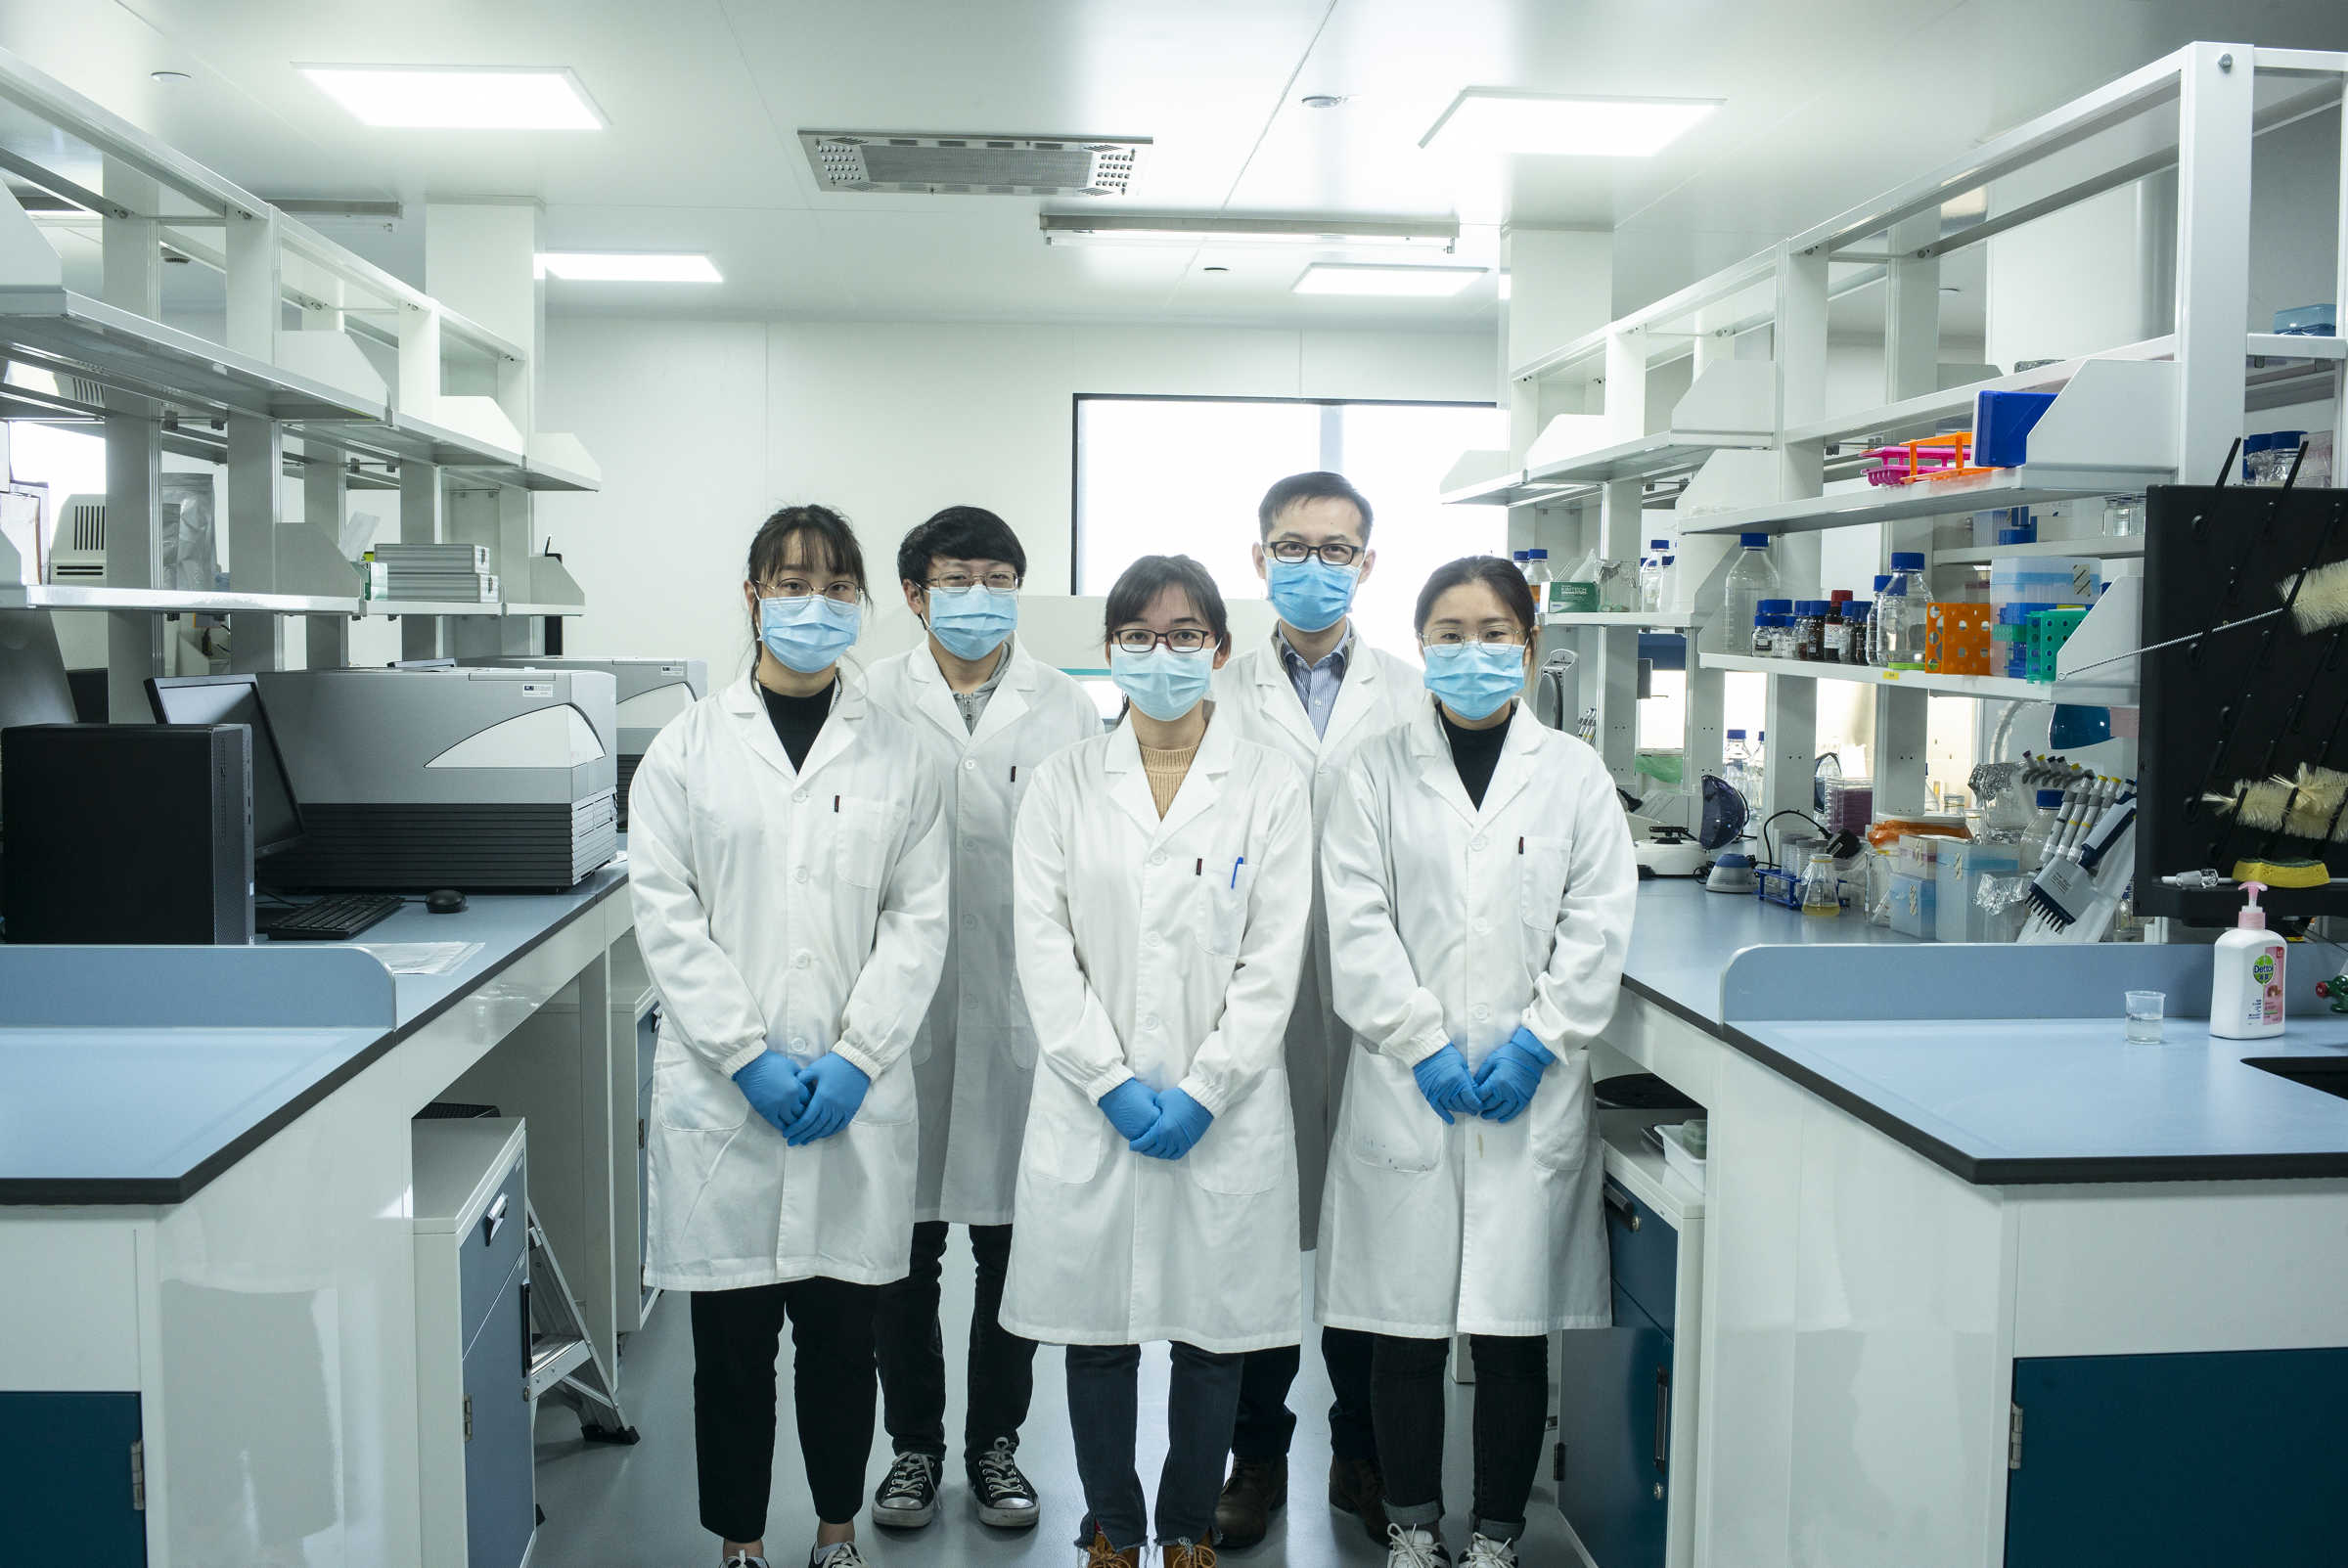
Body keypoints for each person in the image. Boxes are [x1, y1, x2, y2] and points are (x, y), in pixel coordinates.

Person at [630, 504, 950, 1568]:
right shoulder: (687, 747)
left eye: (836, 585)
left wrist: (859, 1056)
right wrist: (747, 1054)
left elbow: (919, 918)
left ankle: (836, 1531)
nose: (815, 603)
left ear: (861, 601)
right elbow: (666, 917)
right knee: (727, 1351)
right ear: (754, 593)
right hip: (728, 1099)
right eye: (792, 581)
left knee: (840, 1341)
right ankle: (739, 1544)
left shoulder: (900, 751)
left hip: (854, 1092)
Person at [1315, 555, 1638, 1568]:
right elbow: (1355, 924)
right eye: (1448, 634)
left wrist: (1538, 1042)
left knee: (1510, 1327)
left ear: (1530, 646)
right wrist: (1421, 1046)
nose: (1471, 651)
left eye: (1493, 631)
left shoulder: (1575, 773)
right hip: (1408, 1085)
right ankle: (1413, 1524)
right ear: (1421, 649)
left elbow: (1597, 923)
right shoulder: (1373, 766)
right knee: (1403, 1326)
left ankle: (1498, 1532)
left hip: (1527, 1089)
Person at [999, 554, 1312, 1568]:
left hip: (1224, 1107)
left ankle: (1184, 1528)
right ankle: (1113, 1527)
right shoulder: (1063, 783)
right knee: (1098, 1330)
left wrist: (1207, 1087)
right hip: (1095, 1102)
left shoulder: (1269, 783)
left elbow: (1275, 957)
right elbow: (1042, 947)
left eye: (1184, 635)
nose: (1162, 653)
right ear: (1110, 651)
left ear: (1219, 648)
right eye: (1138, 634)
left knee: (1212, 1331)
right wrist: (1114, 1081)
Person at [864, 506, 1104, 1532]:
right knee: (899, 1255)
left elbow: (1090, 871)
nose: (978, 595)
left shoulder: (1067, 709)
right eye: (956, 577)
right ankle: (912, 1448)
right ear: (915, 592)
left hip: (1023, 1017)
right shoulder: (866, 699)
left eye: (997, 575)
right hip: (895, 1017)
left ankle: (995, 1444)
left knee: (1015, 1248)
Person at [1210, 471, 1422, 1549]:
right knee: (1252, 1218)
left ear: (1368, 565)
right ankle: (1255, 1451)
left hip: (1378, 987)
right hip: (1250, 984)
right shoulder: (1216, 688)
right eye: (1292, 546)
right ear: (1259, 559)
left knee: (1371, 1219)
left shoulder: (1414, 689)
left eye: (1336, 549)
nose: (1313, 565)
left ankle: (1363, 1451)